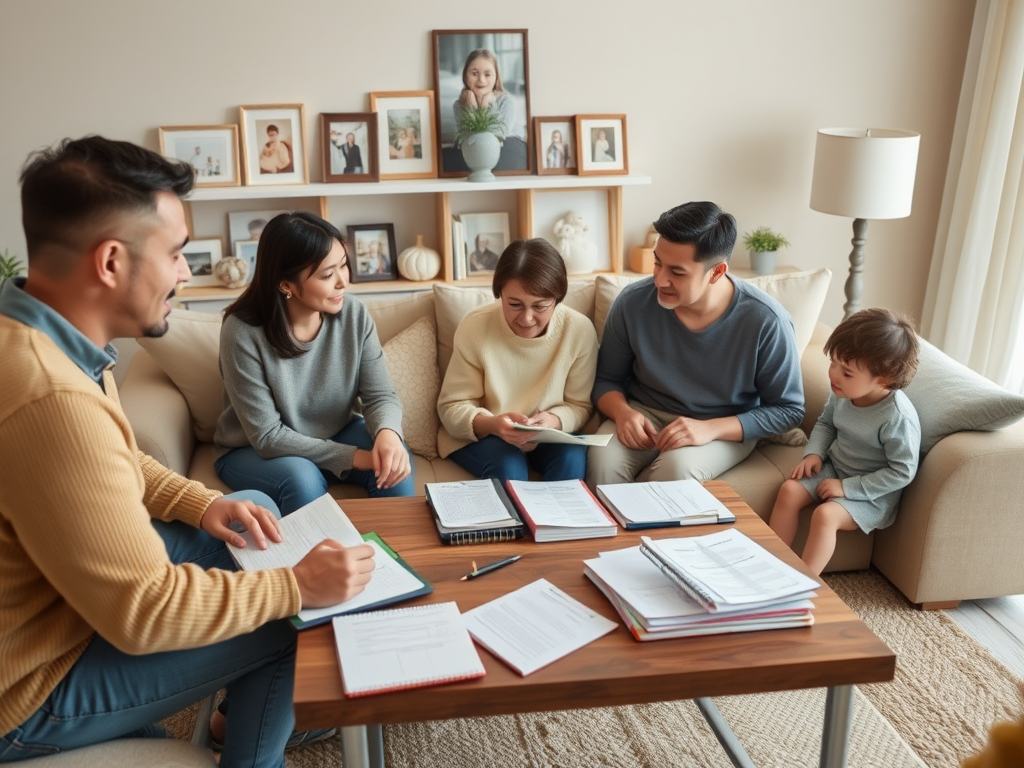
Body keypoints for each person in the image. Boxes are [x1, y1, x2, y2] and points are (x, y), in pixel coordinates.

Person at [0, 135, 376, 767]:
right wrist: (295, 588)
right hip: (29, 689)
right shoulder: (50, 397)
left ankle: (254, 713)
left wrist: (198, 503)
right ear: (111, 262)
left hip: (62, 606)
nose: (184, 271)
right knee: (292, 618)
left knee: (249, 515)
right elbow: (142, 612)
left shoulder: (50, 344)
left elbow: (113, 459)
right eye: (175, 253)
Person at [587, 200, 804, 489]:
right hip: (645, 412)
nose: (659, 279)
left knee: (676, 469)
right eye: (657, 263)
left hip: (719, 425)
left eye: (677, 272)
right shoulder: (632, 303)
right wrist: (623, 413)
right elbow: (605, 380)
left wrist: (711, 429)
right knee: (603, 461)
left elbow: (788, 409)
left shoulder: (766, 321)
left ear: (716, 272)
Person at [214, 211, 414, 515]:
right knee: (302, 479)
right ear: (286, 285)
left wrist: (388, 434)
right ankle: (319, 562)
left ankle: (395, 559)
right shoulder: (241, 332)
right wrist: (356, 457)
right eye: (326, 274)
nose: (342, 282)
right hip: (252, 450)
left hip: (337, 431)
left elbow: (380, 395)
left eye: (343, 265)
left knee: (396, 462)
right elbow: (267, 437)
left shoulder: (354, 315)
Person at [768, 308, 921, 575]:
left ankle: (803, 584)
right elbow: (827, 423)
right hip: (835, 467)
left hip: (871, 494)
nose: (834, 375)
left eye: (847, 372)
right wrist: (813, 454)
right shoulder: (842, 392)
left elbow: (901, 472)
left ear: (883, 379)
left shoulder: (897, 418)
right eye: (833, 362)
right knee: (790, 490)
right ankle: (770, 564)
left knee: (825, 515)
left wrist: (847, 487)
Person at [438, 238, 598, 483]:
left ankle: (556, 523)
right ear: (499, 293)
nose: (527, 318)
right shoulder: (476, 326)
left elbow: (580, 406)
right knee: (508, 464)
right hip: (486, 437)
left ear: (557, 298)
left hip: (548, 436)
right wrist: (493, 424)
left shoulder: (578, 330)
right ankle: (512, 523)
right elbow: (451, 408)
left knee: (571, 458)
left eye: (540, 306)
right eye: (514, 304)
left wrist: (554, 420)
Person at [453, 48, 516, 139]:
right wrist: (471, 108)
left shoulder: (506, 101)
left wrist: (487, 106)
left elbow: (499, 135)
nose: (481, 80)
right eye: (474, 74)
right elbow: (468, 141)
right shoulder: (459, 105)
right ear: (465, 77)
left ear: (496, 78)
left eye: (487, 74)